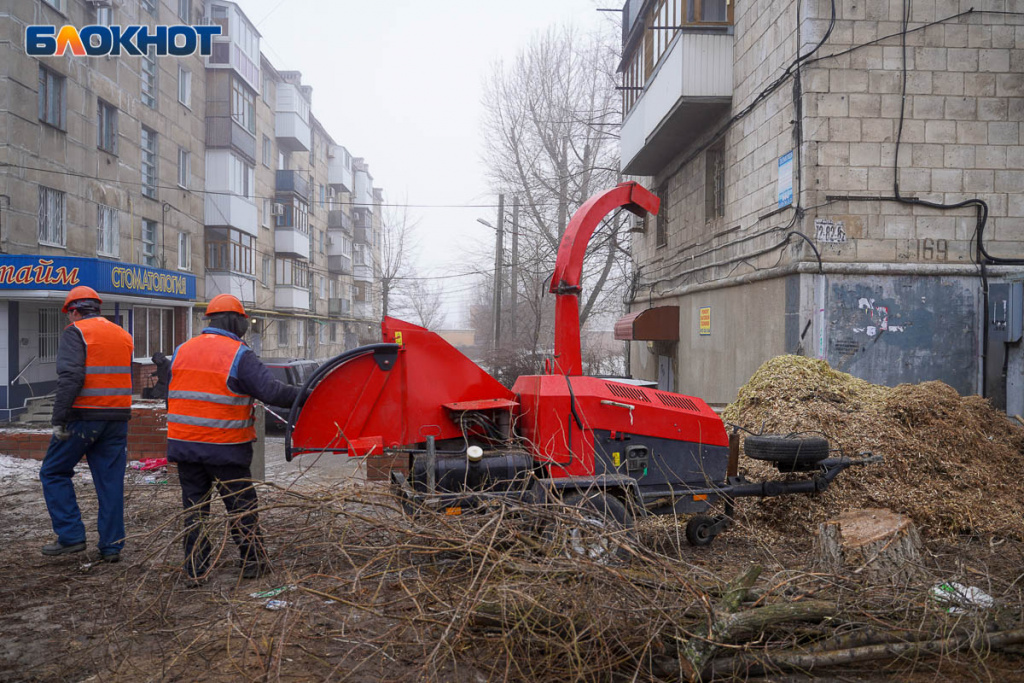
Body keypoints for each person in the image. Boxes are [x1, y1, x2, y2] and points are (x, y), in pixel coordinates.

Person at [166, 294, 299, 586]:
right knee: (241, 506)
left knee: (194, 509)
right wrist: (304, 395)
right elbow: (272, 392)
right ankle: (253, 561)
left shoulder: (182, 350)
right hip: (225, 448)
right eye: (244, 321)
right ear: (234, 321)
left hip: (185, 445)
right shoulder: (238, 354)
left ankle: (195, 569)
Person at [40, 286, 134, 562]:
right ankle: (112, 546)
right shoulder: (122, 334)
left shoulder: (76, 332)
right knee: (110, 483)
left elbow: (70, 377)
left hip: (83, 417)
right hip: (117, 419)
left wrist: (59, 419)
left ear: (74, 311)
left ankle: (70, 537)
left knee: (53, 472)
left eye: (69, 314)